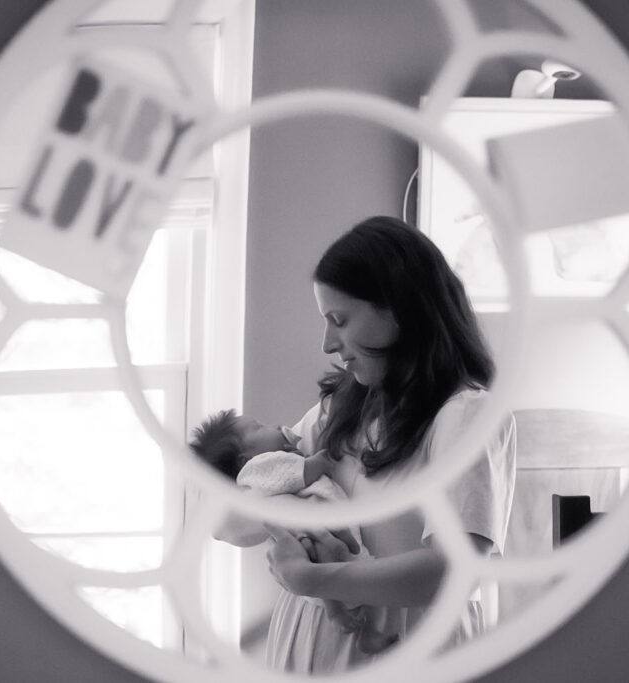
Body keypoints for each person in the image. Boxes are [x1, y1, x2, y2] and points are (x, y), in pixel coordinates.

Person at [215, 215, 517, 673]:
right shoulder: (342, 408)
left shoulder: (463, 415)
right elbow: (224, 523)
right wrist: (292, 512)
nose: (327, 343)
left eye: (339, 320)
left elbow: (453, 570)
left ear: (399, 309)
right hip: (310, 639)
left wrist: (312, 575)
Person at [189, 408, 399, 655]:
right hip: (313, 548)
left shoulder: (275, 456)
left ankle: (360, 628)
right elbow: (297, 474)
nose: (275, 425)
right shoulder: (263, 465)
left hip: (332, 558)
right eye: (258, 428)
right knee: (334, 569)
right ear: (244, 459)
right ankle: (338, 614)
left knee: (351, 576)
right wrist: (317, 464)